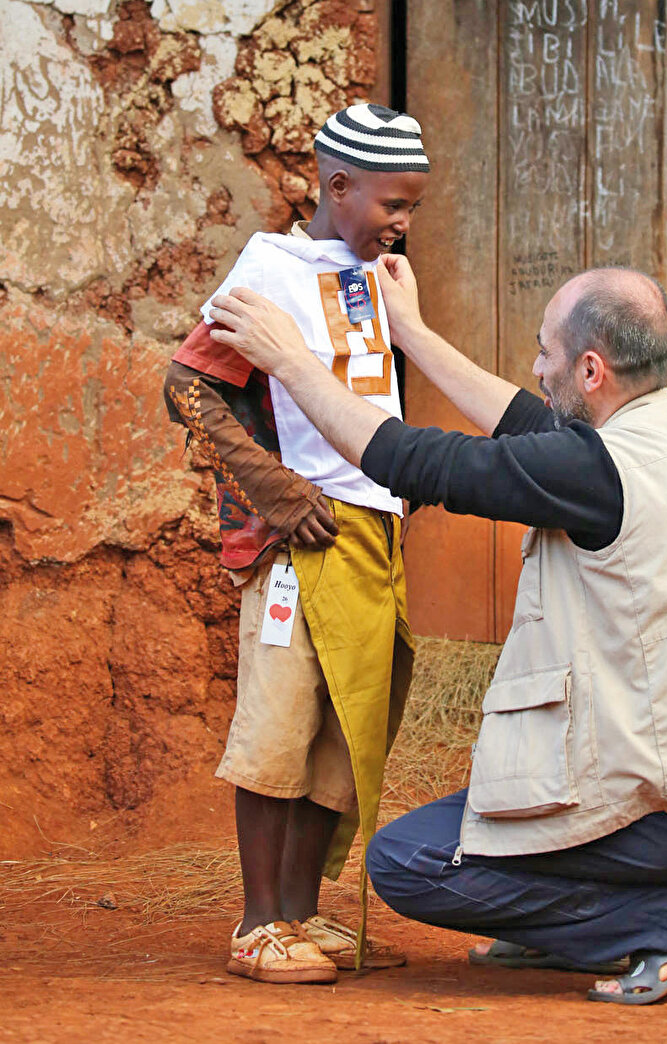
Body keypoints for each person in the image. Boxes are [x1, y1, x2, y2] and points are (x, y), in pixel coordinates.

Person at [203, 256, 667, 1005]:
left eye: (545, 353)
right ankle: (592, 916)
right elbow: (532, 426)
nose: (535, 367)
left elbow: (411, 460)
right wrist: (415, 335)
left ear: (590, 370)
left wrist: (291, 361)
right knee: (481, 823)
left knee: (408, 861)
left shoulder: (598, 473)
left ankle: (649, 917)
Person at [163, 103, 429, 983]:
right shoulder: (268, 267)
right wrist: (274, 494)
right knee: (280, 726)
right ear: (337, 186)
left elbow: (374, 386)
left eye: (413, 207)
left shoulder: (377, 272)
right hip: (297, 543)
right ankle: (255, 925)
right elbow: (190, 385)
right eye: (393, 203)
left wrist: (404, 476)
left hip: (368, 536)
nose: (402, 222)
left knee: (338, 731)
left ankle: (302, 915)